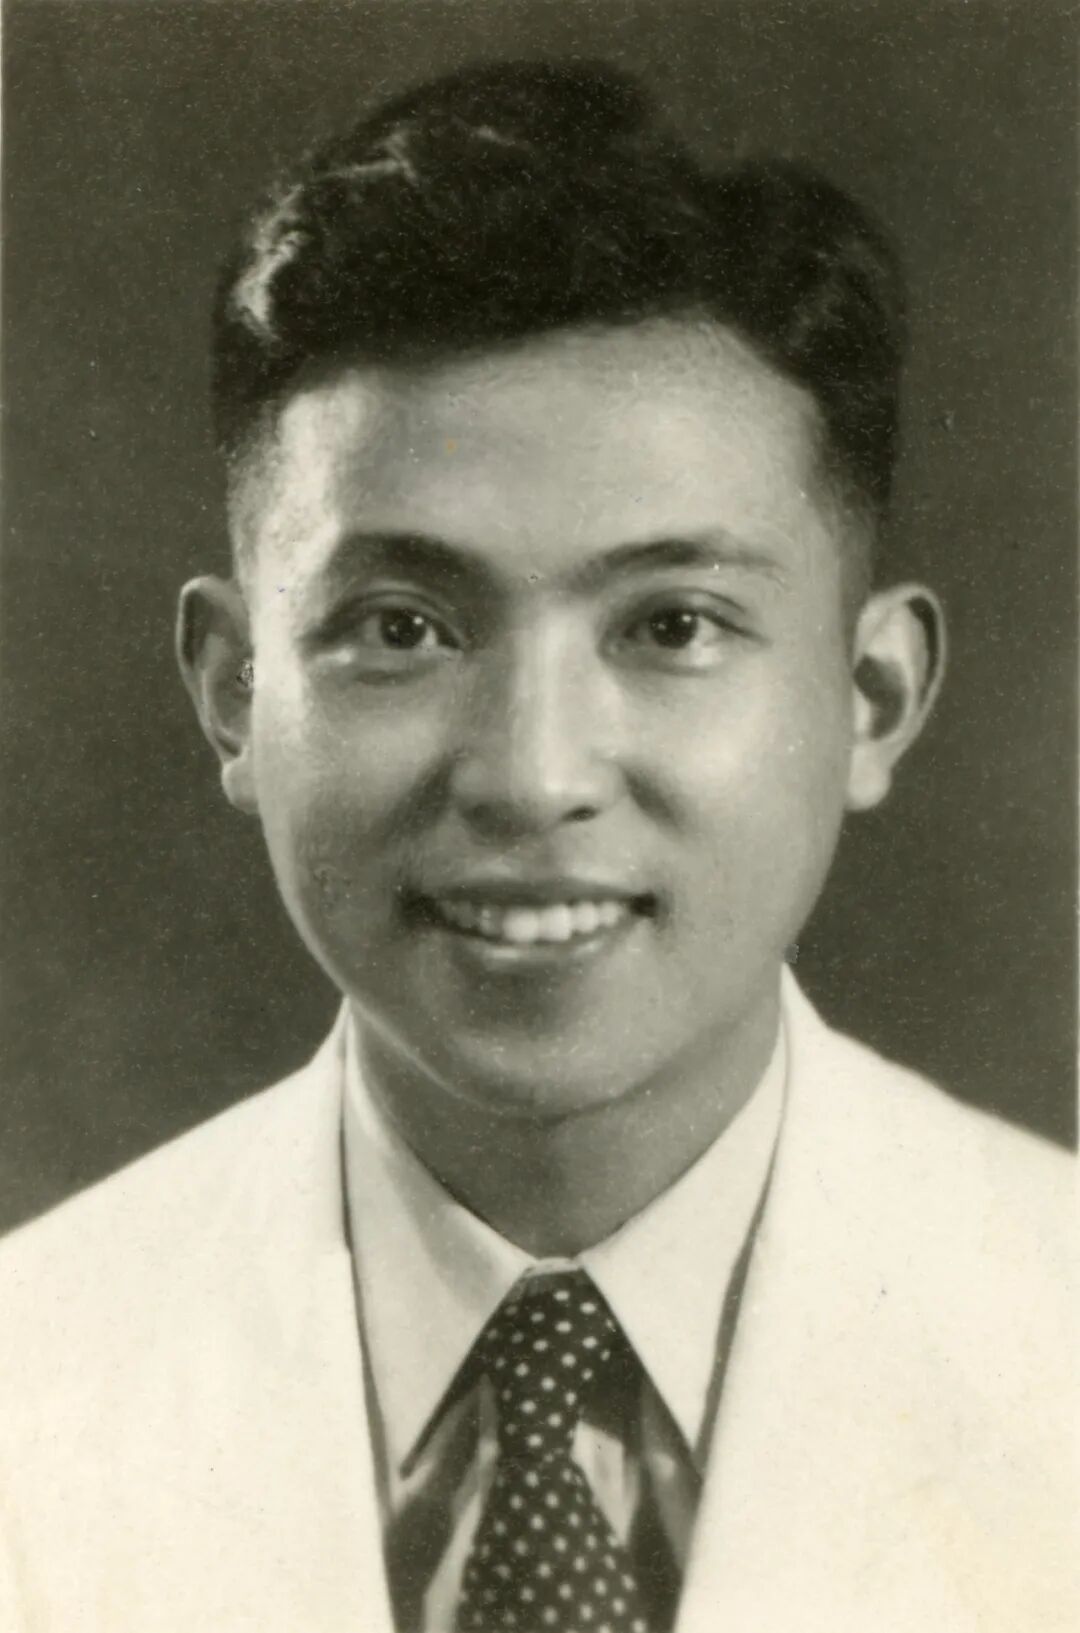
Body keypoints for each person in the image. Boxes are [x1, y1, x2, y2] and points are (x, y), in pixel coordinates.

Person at [0, 59, 1072, 1633]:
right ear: (235, 692)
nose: (531, 776)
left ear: (870, 698)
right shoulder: (32, 1376)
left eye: (672, 624)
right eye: (402, 626)